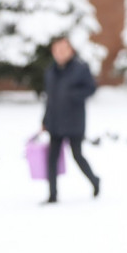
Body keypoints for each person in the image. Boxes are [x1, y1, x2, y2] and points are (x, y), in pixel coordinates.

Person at [41, 36, 100, 204]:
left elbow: (91, 88)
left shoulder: (80, 68)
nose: (59, 53)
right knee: (51, 159)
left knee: (77, 156)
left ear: (70, 50)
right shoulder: (51, 72)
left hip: (74, 121)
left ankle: (95, 180)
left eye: (63, 49)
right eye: (56, 50)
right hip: (55, 122)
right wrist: (44, 120)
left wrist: (73, 95)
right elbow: (49, 99)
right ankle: (52, 194)